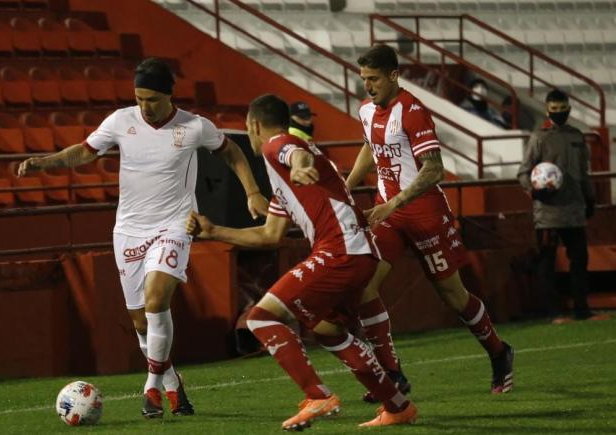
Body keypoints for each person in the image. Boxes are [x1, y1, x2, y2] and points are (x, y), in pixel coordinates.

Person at [17, 57, 269, 418]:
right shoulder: (121, 121)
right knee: (140, 323)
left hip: (175, 225)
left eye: (151, 99)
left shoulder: (194, 127)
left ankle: (150, 387)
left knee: (156, 300)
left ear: (169, 94)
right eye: (139, 98)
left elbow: (231, 152)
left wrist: (252, 191)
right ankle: (171, 384)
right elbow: (84, 152)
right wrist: (46, 162)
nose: (145, 106)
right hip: (129, 230)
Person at [187, 93, 418, 430]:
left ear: (253, 124)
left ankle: (317, 395)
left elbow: (293, 152)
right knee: (329, 329)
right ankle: (397, 406)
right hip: (360, 253)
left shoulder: (277, 145)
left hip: (340, 250)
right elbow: (270, 236)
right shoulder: (281, 180)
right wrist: (213, 231)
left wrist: (299, 165)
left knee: (261, 318)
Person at [345, 45, 514, 400]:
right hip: (387, 214)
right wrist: (346, 188)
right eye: (363, 79)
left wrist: (396, 202)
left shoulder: (413, 111)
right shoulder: (365, 110)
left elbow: (434, 168)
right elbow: (369, 147)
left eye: (373, 79)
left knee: (453, 296)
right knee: (363, 286)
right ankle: (392, 374)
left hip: (424, 213)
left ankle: (499, 352)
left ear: (394, 75)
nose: (368, 87)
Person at [517, 89, 609, 324]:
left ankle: (582, 309)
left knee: (580, 259)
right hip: (548, 212)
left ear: (568, 108)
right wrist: (534, 191)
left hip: (575, 210)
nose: (559, 113)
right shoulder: (539, 137)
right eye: (554, 109)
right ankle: (554, 312)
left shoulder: (577, 137)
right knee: (547, 261)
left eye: (562, 108)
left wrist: (589, 200)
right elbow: (523, 172)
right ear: (548, 110)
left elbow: (584, 175)